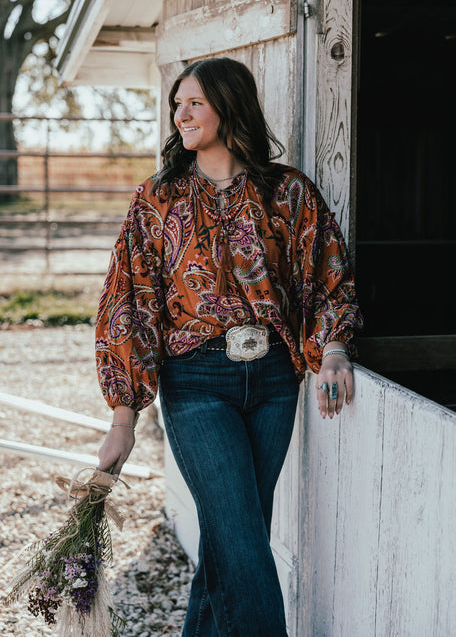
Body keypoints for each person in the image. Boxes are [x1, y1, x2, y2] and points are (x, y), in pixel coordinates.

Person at [96, 57, 363, 636]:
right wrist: (124, 418)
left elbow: (327, 276)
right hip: (195, 383)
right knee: (242, 538)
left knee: (230, 538)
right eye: (177, 103)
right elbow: (130, 302)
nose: (180, 114)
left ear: (228, 106)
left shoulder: (288, 191)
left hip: (272, 381)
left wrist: (334, 348)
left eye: (194, 102)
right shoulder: (158, 199)